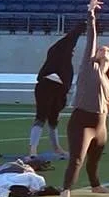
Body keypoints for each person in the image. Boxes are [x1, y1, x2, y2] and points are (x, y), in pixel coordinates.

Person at [60, 0, 109, 197]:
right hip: (82, 120)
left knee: (95, 159)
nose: (104, 50)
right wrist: (91, 13)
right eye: (102, 49)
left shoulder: (107, 79)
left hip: (100, 123)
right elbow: (92, 38)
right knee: (77, 158)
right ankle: (66, 189)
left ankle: (96, 186)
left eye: (108, 51)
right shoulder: (89, 66)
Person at [31, 19, 87, 161]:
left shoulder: (65, 59)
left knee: (54, 119)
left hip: (59, 89)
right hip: (47, 86)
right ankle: (33, 149)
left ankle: (56, 148)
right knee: (41, 116)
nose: (73, 51)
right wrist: (86, 22)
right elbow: (72, 36)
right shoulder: (62, 49)